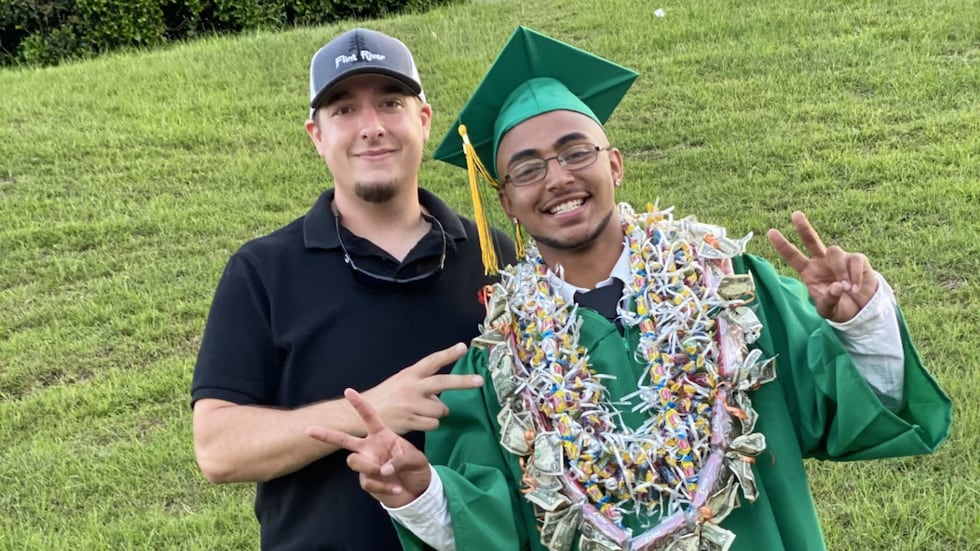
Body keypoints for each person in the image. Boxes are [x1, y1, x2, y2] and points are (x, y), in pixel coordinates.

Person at [308, 27, 951, 551]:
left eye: (576, 152)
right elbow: (497, 524)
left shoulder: (733, 294)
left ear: (614, 162)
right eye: (527, 168)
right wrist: (422, 492)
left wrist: (860, 323)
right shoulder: (498, 364)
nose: (556, 178)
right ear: (505, 200)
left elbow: (851, 417)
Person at [191, 27, 514, 550]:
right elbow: (218, 449)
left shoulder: (493, 252)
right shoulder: (263, 270)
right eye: (343, 110)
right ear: (316, 135)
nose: (371, 127)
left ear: (423, 120)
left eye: (390, 103)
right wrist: (369, 410)